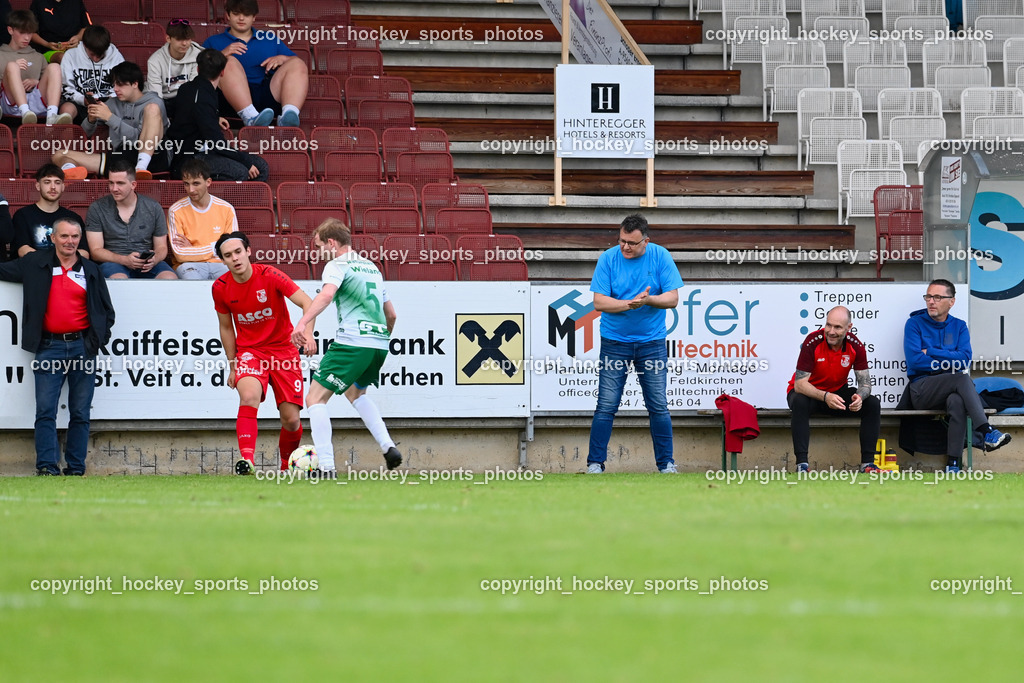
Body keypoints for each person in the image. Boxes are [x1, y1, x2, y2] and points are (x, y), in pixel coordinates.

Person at [0, 217, 115, 476]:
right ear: (53, 238)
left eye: (75, 236)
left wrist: (95, 342)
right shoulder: (34, 263)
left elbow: (106, 311)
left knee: (80, 412)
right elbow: (3, 270)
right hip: (48, 346)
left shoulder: (90, 269)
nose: (70, 241)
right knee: (45, 411)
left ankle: (76, 467)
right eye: (64, 236)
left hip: (82, 347)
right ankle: (47, 467)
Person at [291, 218, 402, 474]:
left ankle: (327, 466)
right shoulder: (372, 267)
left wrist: (302, 322)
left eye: (319, 247)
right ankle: (388, 448)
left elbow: (327, 295)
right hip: (378, 344)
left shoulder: (336, 264)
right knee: (356, 393)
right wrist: (381, 338)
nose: (319, 254)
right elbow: (392, 315)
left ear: (332, 242)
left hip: (353, 341)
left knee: (315, 398)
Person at [586, 214, 684, 474]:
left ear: (646, 241)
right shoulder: (608, 258)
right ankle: (595, 464)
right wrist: (630, 304)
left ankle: (666, 465)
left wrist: (648, 301)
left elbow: (672, 298)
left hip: (652, 342)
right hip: (614, 342)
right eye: (622, 241)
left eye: (632, 243)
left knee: (658, 406)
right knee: (606, 405)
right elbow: (599, 303)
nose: (625, 247)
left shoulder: (660, 256)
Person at [212, 231, 316, 474]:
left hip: (283, 351)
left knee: (291, 420)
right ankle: (247, 460)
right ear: (223, 261)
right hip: (250, 352)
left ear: (248, 251)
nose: (235, 258)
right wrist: (232, 364)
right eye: (228, 256)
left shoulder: (269, 275)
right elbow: (226, 328)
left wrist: (307, 333)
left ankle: (285, 467)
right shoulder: (220, 287)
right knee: (248, 396)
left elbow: (307, 303)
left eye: (238, 252)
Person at [902, 279, 1010, 471]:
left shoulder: (959, 326)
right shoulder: (914, 324)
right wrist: (949, 360)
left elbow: (964, 361)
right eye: (928, 296)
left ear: (951, 301)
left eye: (937, 297)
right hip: (922, 389)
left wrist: (932, 351)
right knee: (960, 378)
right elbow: (915, 362)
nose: (931, 301)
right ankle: (986, 431)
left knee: (957, 401)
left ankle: (953, 464)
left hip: (950, 389)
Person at [787, 306, 882, 473]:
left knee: (872, 403)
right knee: (799, 402)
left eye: (837, 327)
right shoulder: (812, 341)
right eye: (828, 325)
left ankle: (868, 465)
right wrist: (825, 396)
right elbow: (800, 384)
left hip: (836, 395)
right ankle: (802, 465)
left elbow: (866, 385)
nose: (830, 331)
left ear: (849, 328)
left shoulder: (856, 346)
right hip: (809, 394)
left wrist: (859, 397)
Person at [164, 48, 269, 182]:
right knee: (241, 172)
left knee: (261, 166)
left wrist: (214, 118)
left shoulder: (188, 88)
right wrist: (246, 162)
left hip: (206, 151)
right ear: (222, 72)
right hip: (191, 157)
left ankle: (251, 203)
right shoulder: (201, 97)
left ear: (197, 69)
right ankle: (225, 203)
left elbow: (192, 113)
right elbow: (217, 143)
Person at [53, 61, 169, 180]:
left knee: (152, 109)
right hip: (120, 158)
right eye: (114, 85)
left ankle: (141, 168)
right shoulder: (113, 103)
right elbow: (84, 134)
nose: (115, 89)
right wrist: (91, 119)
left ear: (135, 83)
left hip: (152, 157)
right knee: (58, 155)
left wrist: (110, 118)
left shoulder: (154, 102)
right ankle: (71, 171)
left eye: (120, 84)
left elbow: (139, 140)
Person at [203, 0, 308, 128]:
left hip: (266, 97)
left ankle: (288, 117)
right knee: (228, 61)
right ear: (228, 15)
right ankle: (250, 117)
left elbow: (296, 66)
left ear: (254, 17)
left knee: (297, 63)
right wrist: (222, 54)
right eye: (236, 14)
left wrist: (283, 58)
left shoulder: (269, 38)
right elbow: (197, 71)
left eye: (246, 14)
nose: (241, 18)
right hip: (230, 100)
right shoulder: (213, 41)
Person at [84, 159, 177, 279]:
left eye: (120, 183)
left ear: (133, 185)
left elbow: (162, 247)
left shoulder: (153, 207)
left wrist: (154, 259)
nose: (114, 188)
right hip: (114, 263)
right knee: (119, 280)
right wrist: (124, 260)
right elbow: (96, 251)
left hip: (147, 264)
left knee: (169, 278)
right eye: (111, 183)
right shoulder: (97, 208)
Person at [168, 157, 238, 280]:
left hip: (221, 264)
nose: (191, 190)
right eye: (186, 184)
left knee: (234, 281)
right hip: (189, 265)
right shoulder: (175, 210)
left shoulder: (226, 208)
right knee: (193, 282)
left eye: (196, 183)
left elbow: (231, 247)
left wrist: (192, 250)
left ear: (208, 182)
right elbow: (179, 254)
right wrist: (216, 247)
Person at [1, 10, 73, 124]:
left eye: (29, 33)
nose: (27, 38)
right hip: (9, 102)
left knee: (54, 67)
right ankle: (25, 112)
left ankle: (52, 116)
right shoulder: (1, 54)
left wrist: (36, 81)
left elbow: (52, 83)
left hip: (35, 102)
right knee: (12, 65)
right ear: (10, 30)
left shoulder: (38, 56)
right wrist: (10, 71)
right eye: (22, 32)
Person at [12, 164, 87, 259]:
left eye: (57, 182)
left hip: (66, 270)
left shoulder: (73, 218)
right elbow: (22, 249)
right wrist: (51, 262)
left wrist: (60, 263)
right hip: (34, 268)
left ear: (63, 187)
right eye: (47, 182)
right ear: (38, 186)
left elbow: (84, 252)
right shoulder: (23, 215)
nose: (53, 187)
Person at [58, 24, 124, 122]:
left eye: (100, 55)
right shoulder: (71, 55)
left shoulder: (116, 56)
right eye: (92, 54)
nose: (95, 59)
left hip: (109, 104)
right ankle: (61, 137)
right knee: (66, 110)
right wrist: (83, 100)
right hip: (80, 103)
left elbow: (123, 84)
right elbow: (66, 88)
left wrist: (112, 97)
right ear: (84, 45)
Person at [146, 18, 202, 119]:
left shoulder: (197, 56)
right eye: (179, 39)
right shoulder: (155, 60)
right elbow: (156, 96)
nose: (185, 43)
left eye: (188, 39)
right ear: (168, 38)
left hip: (186, 101)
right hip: (164, 100)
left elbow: (195, 89)